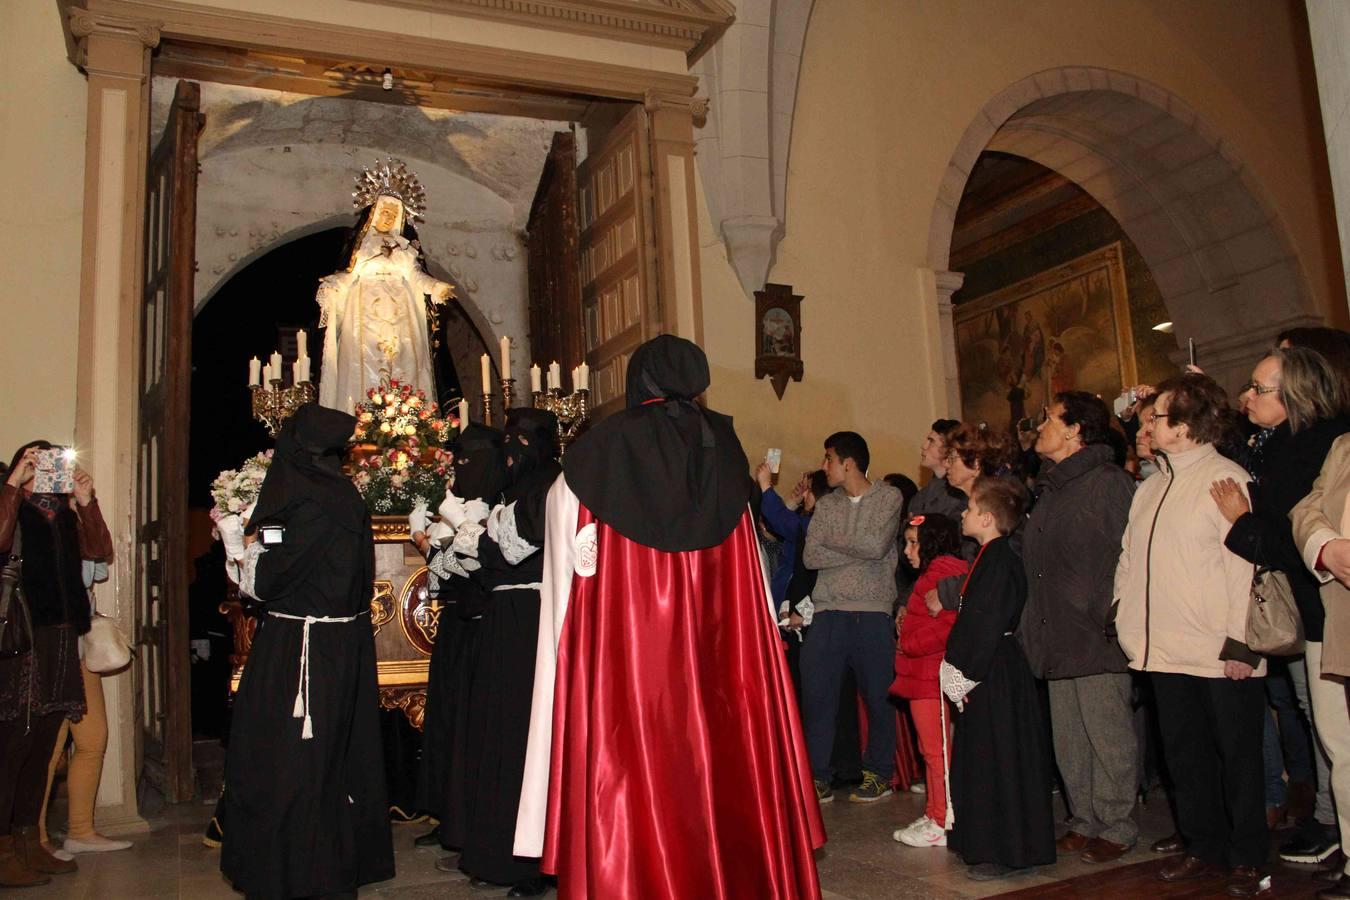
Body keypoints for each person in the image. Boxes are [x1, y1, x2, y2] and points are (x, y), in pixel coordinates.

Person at [515, 335, 823, 899]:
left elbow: (564, 558)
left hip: (632, 665)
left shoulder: (601, 452)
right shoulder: (724, 449)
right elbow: (751, 570)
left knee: (637, 768)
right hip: (716, 663)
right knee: (720, 762)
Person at [217, 404, 394, 899]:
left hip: (300, 648)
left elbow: (266, 582)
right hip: (332, 645)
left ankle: (295, 871)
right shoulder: (339, 495)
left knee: (287, 762)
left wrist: (240, 548)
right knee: (320, 762)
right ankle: (318, 864)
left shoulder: (312, 502)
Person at [1113, 374, 1269, 897]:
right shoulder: (1152, 486)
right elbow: (1130, 560)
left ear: (1182, 426)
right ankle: (1202, 846)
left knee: (1238, 757)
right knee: (1183, 755)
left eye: (1156, 416)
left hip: (1219, 649)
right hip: (1163, 648)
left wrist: (1241, 642)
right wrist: (1124, 616)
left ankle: (1248, 855)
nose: (1148, 424)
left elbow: (1243, 568)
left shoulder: (1225, 478)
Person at [1214, 347, 1347, 863]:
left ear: (1295, 394)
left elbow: (1292, 538)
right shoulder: (1278, 446)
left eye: (1259, 388)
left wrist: (1242, 521)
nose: (1247, 396)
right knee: (1325, 730)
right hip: (1311, 613)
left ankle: (1333, 829)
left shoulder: (1308, 447)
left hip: (1324, 612)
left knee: (1333, 732)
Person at [1019, 392, 1139, 863]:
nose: (1039, 426)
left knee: (1107, 733)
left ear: (1074, 430)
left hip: (1095, 631)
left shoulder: (1108, 483)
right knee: (1070, 736)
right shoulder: (1052, 489)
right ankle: (1085, 818)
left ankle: (1117, 823)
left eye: (1048, 419)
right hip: (1055, 630)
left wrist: (1104, 611)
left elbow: (1132, 555)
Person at [451, 407, 559, 898]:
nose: (512, 453)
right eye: (507, 442)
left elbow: (514, 549)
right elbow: (484, 560)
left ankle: (534, 861)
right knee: (497, 728)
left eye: (521, 443)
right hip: (504, 620)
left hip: (533, 619)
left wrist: (479, 534)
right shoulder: (510, 488)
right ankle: (495, 848)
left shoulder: (553, 485)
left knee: (524, 734)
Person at [0, 443, 110, 888]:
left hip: (63, 635)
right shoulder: (11, 502)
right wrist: (12, 483)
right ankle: (3, 848)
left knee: (45, 742)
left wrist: (86, 502)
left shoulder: (62, 512)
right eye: (35, 458)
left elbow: (99, 551)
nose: (44, 466)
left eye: (52, 459)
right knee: (14, 745)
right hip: (23, 637)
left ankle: (29, 841)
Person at [940, 477, 1054, 881]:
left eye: (969, 509)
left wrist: (963, 672)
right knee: (990, 756)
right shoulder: (990, 555)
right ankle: (985, 841)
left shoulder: (1001, 559)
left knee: (999, 759)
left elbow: (986, 621)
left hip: (993, 671)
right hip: (992, 668)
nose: (963, 514)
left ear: (987, 518)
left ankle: (1003, 848)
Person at [410, 422, 507, 854]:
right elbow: (443, 572)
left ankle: (470, 819)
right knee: (447, 719)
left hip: (485, 625)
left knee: (474, 724)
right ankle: (446, 814)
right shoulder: (459, 501)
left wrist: (430, 544)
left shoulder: (500, 504)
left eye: (470, 460)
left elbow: (474, 567)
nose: (461, 469)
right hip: (454, 623)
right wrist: (431, 542)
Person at [800, 431, 906, 803]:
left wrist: (840, 544)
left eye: (829, 458)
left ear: (848, 463)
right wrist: (858, 549)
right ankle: (818, 776)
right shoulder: (827, 505)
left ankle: (878, 772)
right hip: (827, 613)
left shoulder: (889, 497)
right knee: (818, 697)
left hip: (872, 613)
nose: (824, 466)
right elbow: (811, 556)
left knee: (879, 698)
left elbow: (878, 547)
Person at [316, 159, 454, 411]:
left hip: (400, 309)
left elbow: (414, 275)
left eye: (393, 215)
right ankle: (364, 414)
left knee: (403, 361)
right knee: (365, 359)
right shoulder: (362, 245)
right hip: (365, 307)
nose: (388, 218)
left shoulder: (403, 247)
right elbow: (350, 274)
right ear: (374, 214)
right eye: (384, 213)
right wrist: (335, 283)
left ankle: (407, 413)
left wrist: (436, 288)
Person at [37, 558, 133, 860]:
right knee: (49, 750)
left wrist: (87, 517)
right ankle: (35, 840)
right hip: (51, 649)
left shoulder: (74, 520)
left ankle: (81, 831)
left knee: (93, 740)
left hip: (81, 647)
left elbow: (99, 569)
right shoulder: (35, 519)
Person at [890, 513, 966, 849]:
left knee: (937, 752)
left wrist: (908, 643)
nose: (907, 550)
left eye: (913, 542)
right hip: (921, 675)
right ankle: (934, 810)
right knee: (930, 750)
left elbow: (946, 627)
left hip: (931, 674)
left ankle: (942, 819)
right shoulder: (933, 574)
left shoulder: (945, 572)